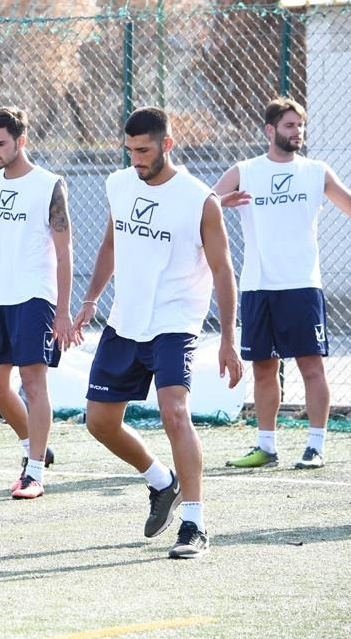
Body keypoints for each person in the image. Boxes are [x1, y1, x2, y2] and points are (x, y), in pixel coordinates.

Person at [71, 106, 242, 559]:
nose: (135, 160)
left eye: (143, 150)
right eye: (129, 151)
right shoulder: (118, 184)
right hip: (125, 321)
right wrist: (90, 301)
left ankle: (194, 523)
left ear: (167, 144)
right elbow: (111, 242)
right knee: (99, 422)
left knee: (174, 412)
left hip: (174, 322)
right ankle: (162, 481)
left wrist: (228, 338)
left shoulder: (199, 199)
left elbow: (224, 270)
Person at [215, 97, 351, 470]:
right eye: (290, 126)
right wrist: (222, 202)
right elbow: (207, 203)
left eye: (301, 127)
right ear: (270, 130)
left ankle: (315, 445)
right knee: (263, 368)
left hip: (302, 285)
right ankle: (266, 447)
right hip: (258, 286)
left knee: (311, 367)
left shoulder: (315, 171)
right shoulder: (245, 169)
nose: (297, 133)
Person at [0, 107, 75, 499]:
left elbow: (65, 253)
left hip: (35, 295)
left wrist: (64, 310)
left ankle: (34, 473)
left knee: (33, 382)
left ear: (21, 141)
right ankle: (35, 445)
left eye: (0, 143)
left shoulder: (49, 184)